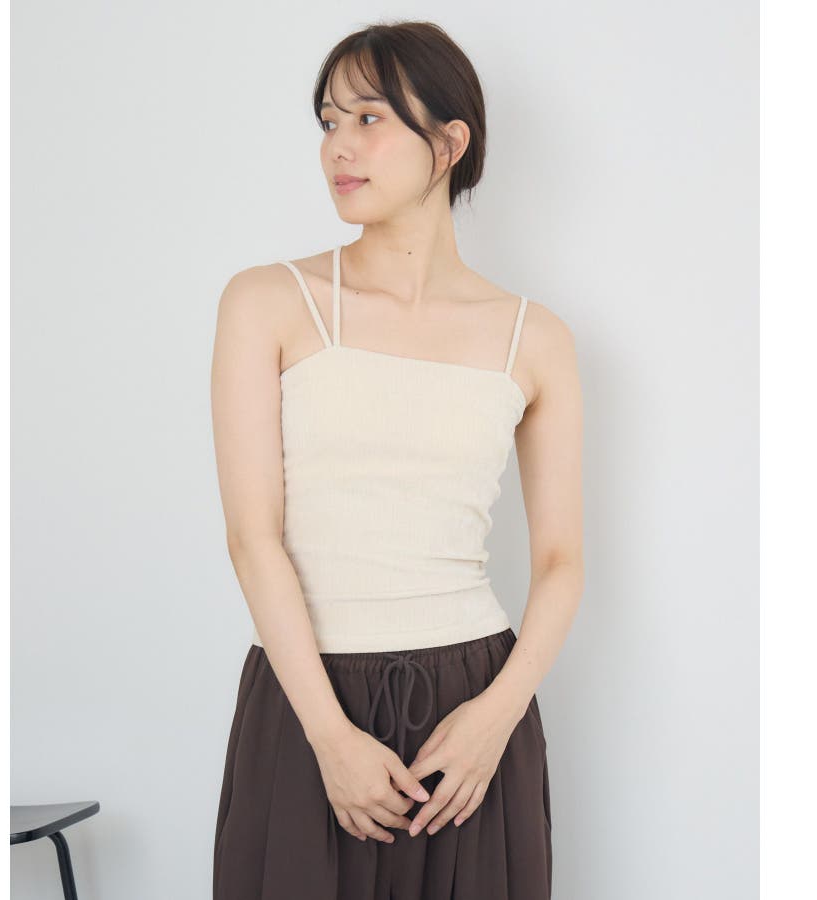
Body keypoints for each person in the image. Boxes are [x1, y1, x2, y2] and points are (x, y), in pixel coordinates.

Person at [209, 19, 583, 900]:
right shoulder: (269, 302)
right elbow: (253, 537)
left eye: (369, 119)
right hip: (310, 696)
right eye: (328, 121)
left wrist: (497, 718)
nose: (338, 146)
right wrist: (329, 737)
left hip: (473, 708)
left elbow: (562, 561)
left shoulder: (535, 338)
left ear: (449, 143)